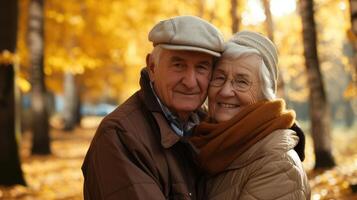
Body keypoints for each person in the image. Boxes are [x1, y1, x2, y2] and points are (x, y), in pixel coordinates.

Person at [81, 15, 224, 199]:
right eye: (178, 65)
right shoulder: (120, 135)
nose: (190, 82)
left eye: (201, 68)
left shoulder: (207, 127)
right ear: (152, 67)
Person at [190, 31, 311, 199]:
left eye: (242, 82)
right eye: (219, 78)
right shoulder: (205, 142)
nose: (225, 91)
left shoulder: (278, 165)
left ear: (265, 95)